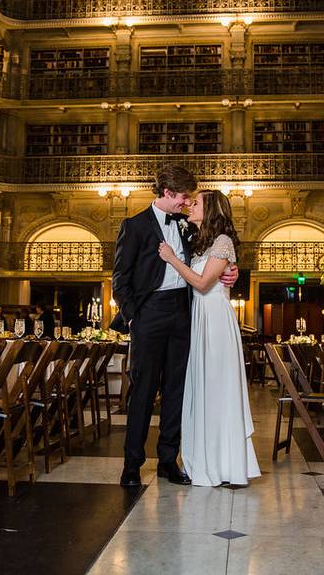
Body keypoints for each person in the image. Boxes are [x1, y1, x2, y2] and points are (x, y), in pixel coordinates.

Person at [111, 164, 238, 487]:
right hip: (148, 315)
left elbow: (214, 255)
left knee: (177, 392)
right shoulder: (135, 226)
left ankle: (168, 460)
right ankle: (131, 465)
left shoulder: (188, 225)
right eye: (183, 197)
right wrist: (134, 318)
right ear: (167, 194)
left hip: (184, 313)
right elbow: (120, 280)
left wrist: (231, 274)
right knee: (142, 391)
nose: (186, 203)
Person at [158, 190, 260, 486]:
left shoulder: (223, 241)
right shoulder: (196, 241)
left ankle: (229, 466)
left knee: (219, 387)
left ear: (212, 210)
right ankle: (205, 461)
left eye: (197, 202)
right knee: (202, 389)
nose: (190, 204)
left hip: (215, 318)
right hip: (198, 318)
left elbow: (202, 284)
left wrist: (172, 259)